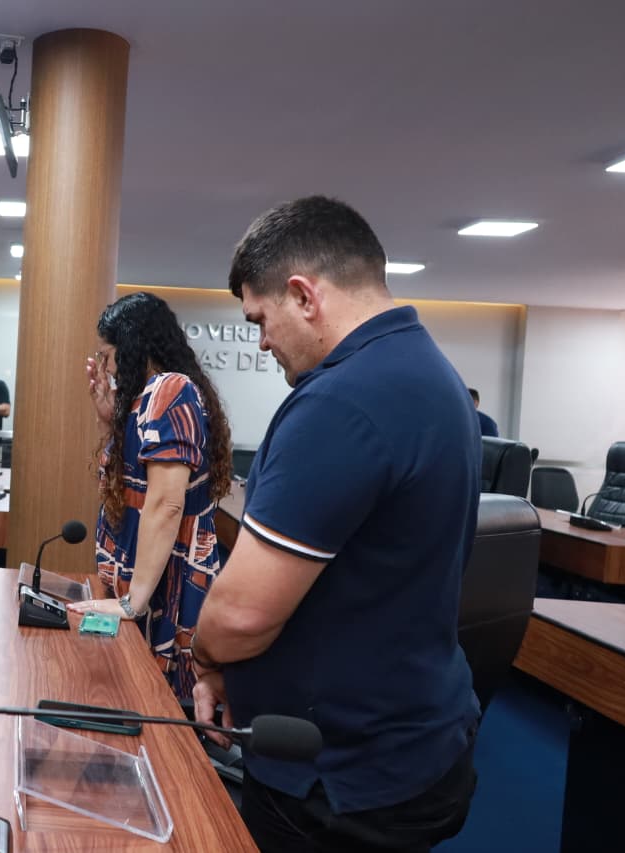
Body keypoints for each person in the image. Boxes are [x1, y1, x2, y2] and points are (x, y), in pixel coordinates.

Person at [190, 196, 481, 852]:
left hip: (338, 778)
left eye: (260, 319)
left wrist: (205, 659)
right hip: (416, 739)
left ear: (303, 295)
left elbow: (241, 616)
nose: (262, 341)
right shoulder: (433, 374)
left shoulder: (342, 400)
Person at [65, 293, 234, 700]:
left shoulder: (169, 389)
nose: (106, 368)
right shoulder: (149, 398)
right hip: (143, 587)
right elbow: (129, 482)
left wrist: (132, 603)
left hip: (163, 589)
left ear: (133, 347)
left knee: (157, 709)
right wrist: (110, 420)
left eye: (108, 356)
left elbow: (166, 503)